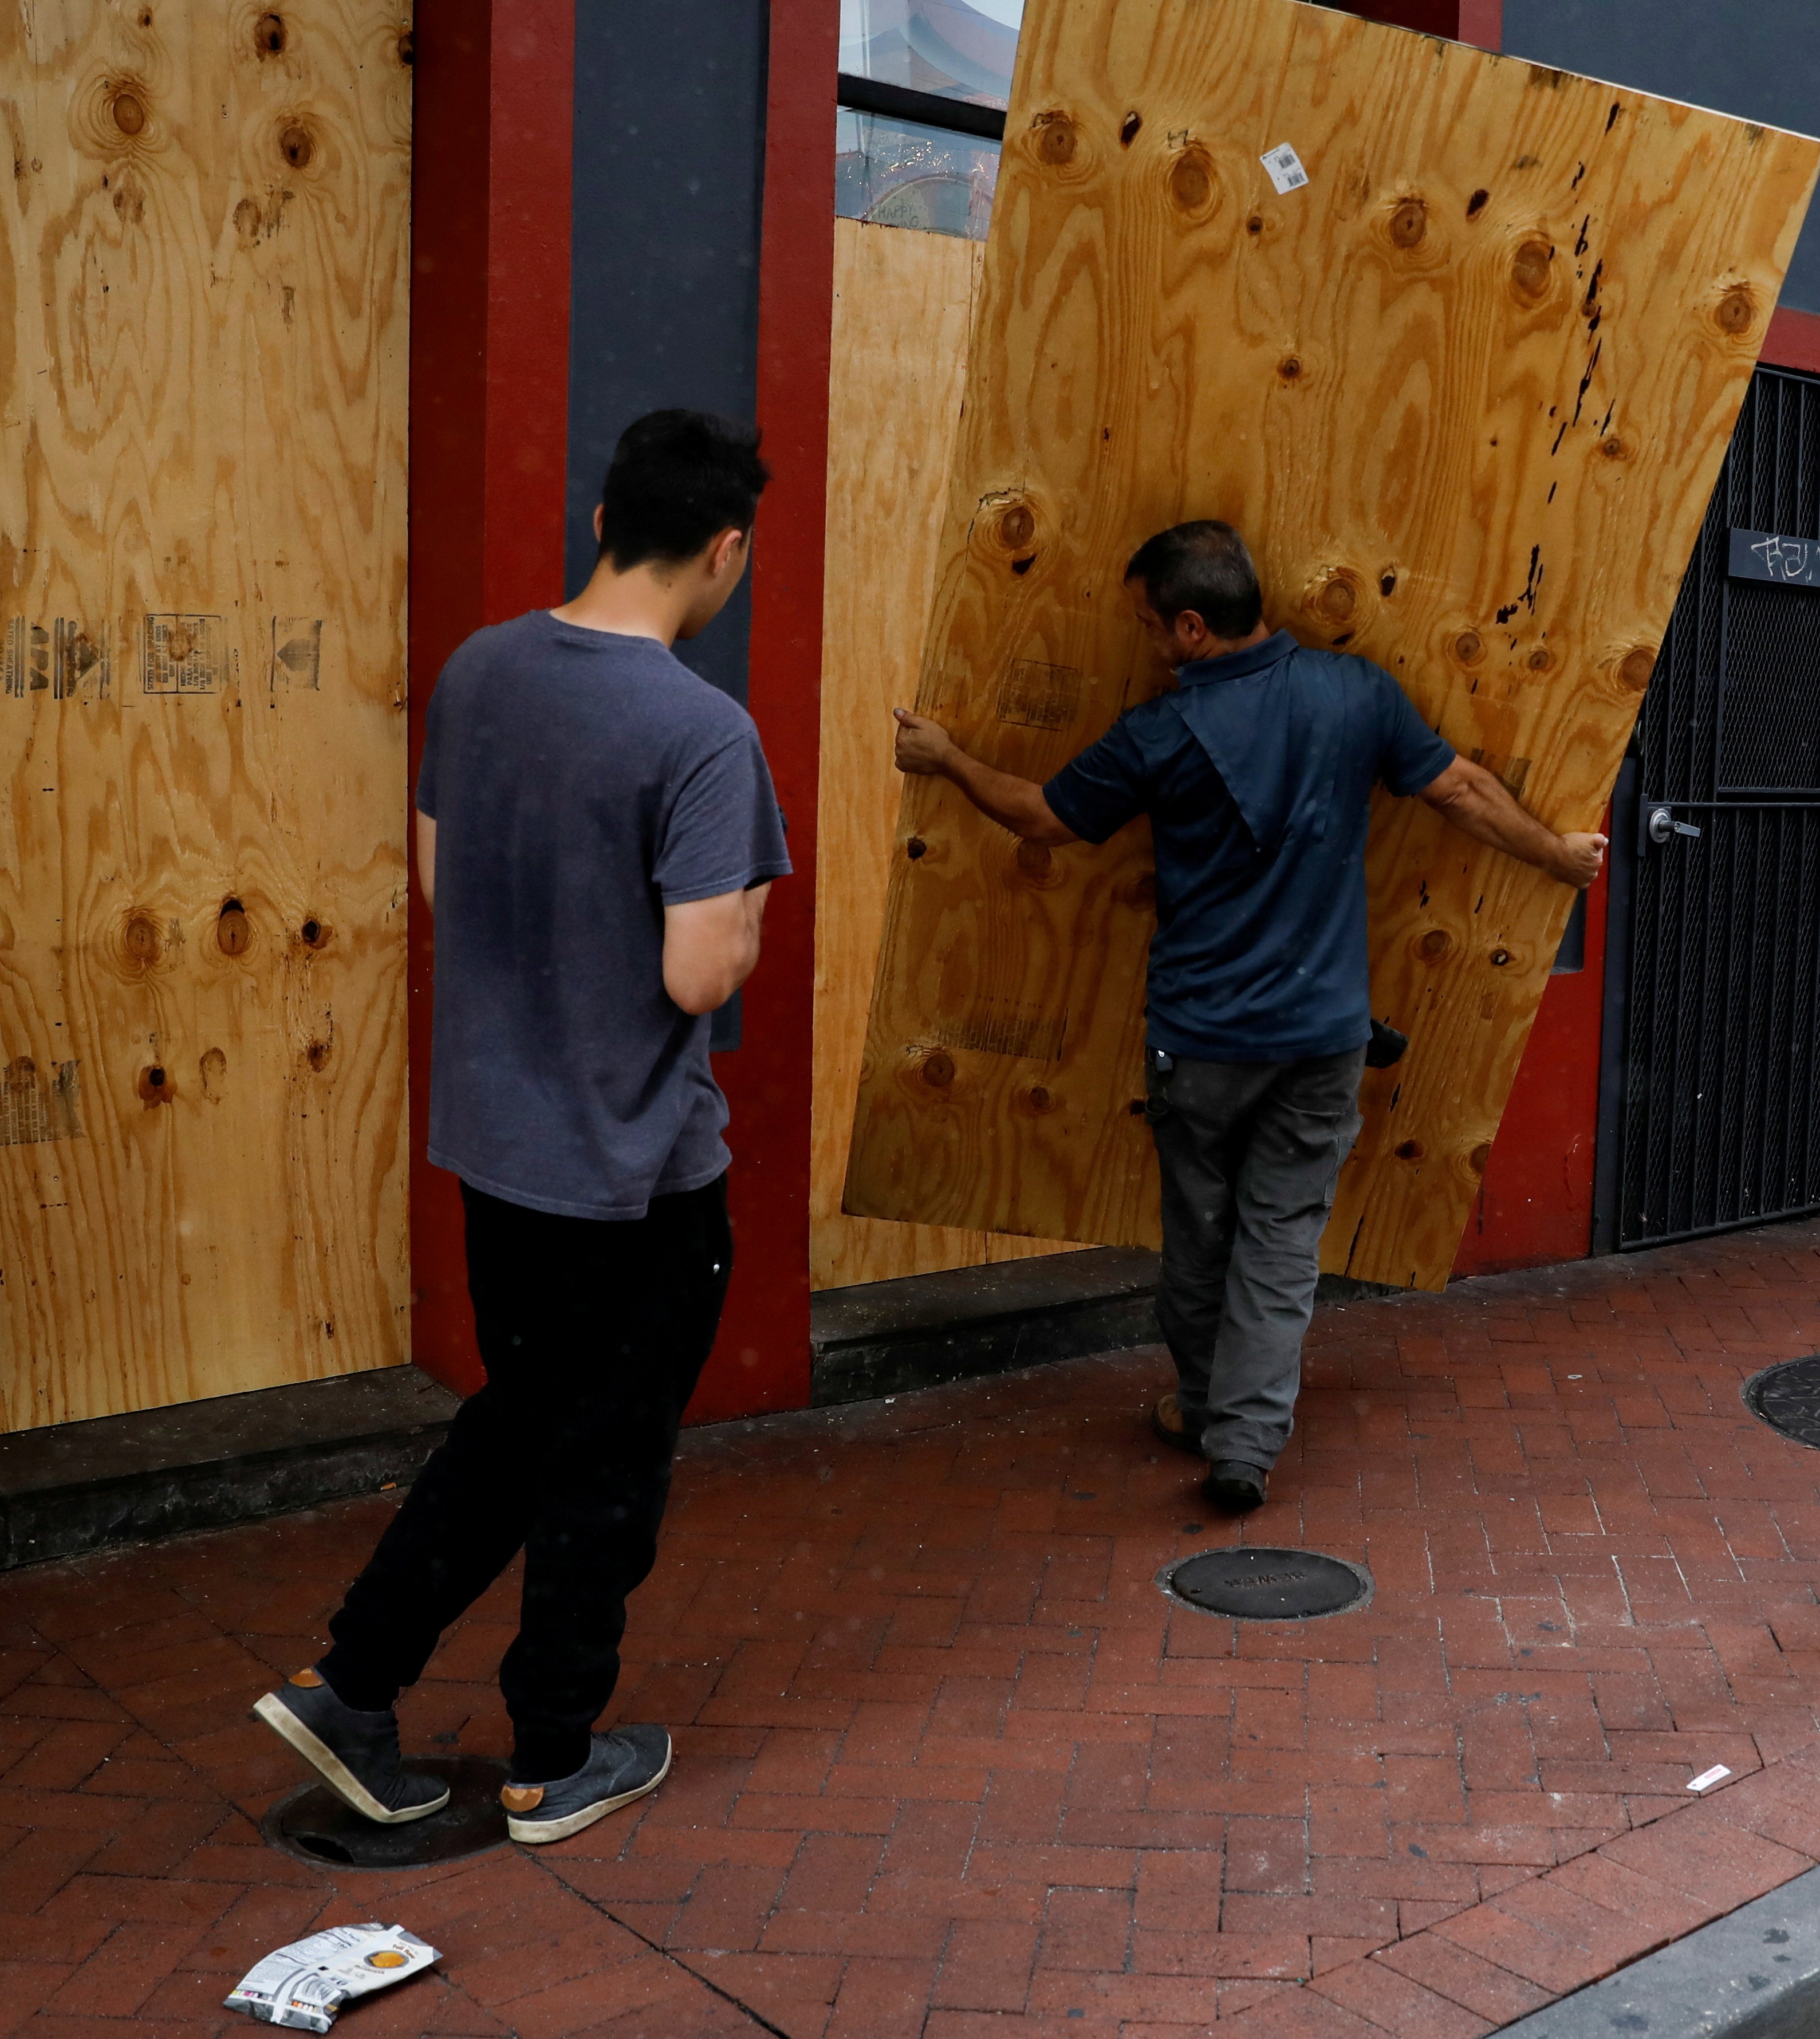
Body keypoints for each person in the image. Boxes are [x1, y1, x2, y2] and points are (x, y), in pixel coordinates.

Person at [253, 409, 789, 1845]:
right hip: (635, 1175)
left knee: (527, 1419)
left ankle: (354, 1682)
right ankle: (555, 1756)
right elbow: (695, 972)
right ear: (725, 548)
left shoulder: (481, 670)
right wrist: (738, 920)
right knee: (600, 1459)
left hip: (501, 1150)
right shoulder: (700, 730)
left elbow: (440, 879)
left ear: (606, 513)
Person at [892, 519, 1603, 1511]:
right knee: (1278, 1244)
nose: (1143, 643)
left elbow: (1040, 815)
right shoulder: (1354, 695)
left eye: (1147, 625)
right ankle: (1246, 1445)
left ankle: (1199, 1405)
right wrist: (1555, 856)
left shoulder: (1160, 733)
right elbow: (1463, 790)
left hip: (1203, 1043)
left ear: (1191, 627)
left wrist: (947, 758)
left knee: (1200, 1234)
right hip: (1319, 1040)